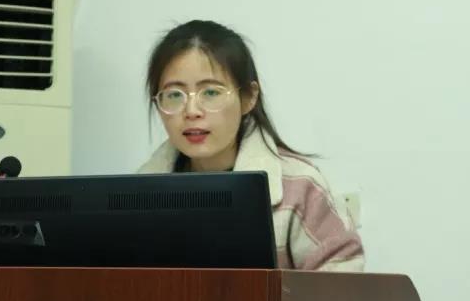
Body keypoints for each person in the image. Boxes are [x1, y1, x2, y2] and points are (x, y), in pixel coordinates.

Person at [138, 20, 364, 271]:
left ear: (248, 97)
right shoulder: (136, 195)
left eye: (211, 92)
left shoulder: (299, 186)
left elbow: (344, 284)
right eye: (174, 95)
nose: (191, 111)